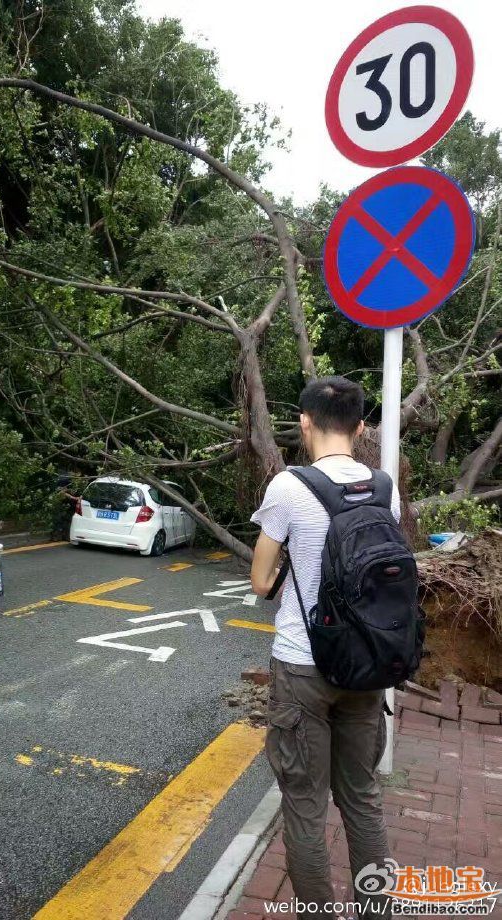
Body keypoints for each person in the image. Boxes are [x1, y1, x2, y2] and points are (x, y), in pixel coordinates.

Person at [250, 377, 399, 920]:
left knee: (306, 804)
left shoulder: (289, 487)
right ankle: (378, 908)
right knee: (362, 797)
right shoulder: (384, 487)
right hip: (367, 665)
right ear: (361, 428)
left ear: (304, 422)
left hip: (302, 666)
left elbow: (261, 582)